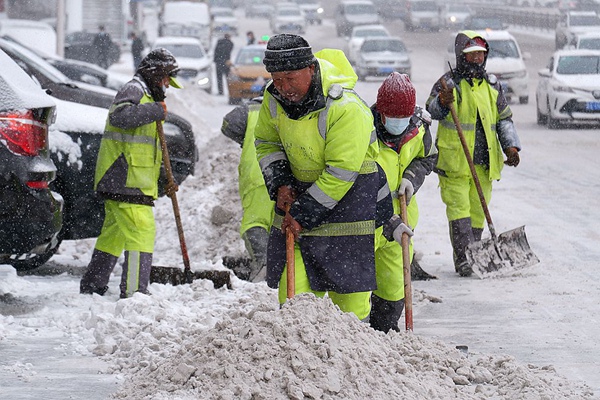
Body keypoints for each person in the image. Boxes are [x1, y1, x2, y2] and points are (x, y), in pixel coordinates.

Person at [254, 34, 411, 321]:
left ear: (311, 69)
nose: (284, 88)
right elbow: (266, 143)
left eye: (290, 78)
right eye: (277, 79)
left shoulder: (345, 107)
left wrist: (302, 213)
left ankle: (355, 357)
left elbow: (340, 172)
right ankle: (297, 352)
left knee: (350, 305)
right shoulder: (273, 98)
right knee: (294, 298)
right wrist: (280, 182)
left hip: (350, 211)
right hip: (302, 208)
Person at [79, 48, 183, 298]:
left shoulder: (147, 93)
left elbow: (146, 149)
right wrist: (155, 111)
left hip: (127, 179)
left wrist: (163, 180)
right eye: (166, 78)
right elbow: (120, 116)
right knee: (141, 231)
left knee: (113, 234)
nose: (168, 85)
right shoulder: (134, 89)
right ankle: (135, 291)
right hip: (123, 178)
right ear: (155, 74)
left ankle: (93, 284)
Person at [425, 30, 521, 277]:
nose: (477, 59)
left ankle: (476, 253)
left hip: (484, 161)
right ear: (461, 56)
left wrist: (510, 146)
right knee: (459, 211)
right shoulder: (448, 82)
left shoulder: (491, 84)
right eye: (471, 54)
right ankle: (464, 258)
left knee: (478, 211)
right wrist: (442, 102)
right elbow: (430, 111)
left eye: (481, 54)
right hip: (455, 161)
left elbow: (504, 119)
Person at [369, 72, 438, 333]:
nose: (399, 123)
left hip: (402, 225)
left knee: (394, 283)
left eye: (404, 118)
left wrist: (411, 177)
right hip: (366, 221)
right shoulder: (362, 129)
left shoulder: (420, 128)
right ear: (381, 112)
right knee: (355, 289)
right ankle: (356, 341)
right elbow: (354, 177)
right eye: (393, 118)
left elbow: (428, 157)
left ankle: (386, 332)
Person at [221, 93, 274, 282]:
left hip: (258, 175)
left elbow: (228, 124)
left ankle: (264, 266)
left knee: (254, 223)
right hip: (283, 177)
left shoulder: (252, 110)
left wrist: (245, 140)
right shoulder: (288, 107)